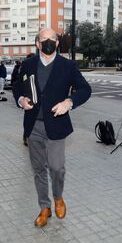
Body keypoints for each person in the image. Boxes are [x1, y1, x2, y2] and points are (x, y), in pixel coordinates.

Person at [13, 28, 91, 228]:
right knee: (38, 169)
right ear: (37, 44)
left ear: (57, 43)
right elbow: (16, 86)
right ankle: (44, 207)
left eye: (52, 39)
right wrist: (20, 99)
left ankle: (58, 197)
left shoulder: (68, 66)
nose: (48, 42)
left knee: (56, 168)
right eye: (43, 39)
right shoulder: (28, 64)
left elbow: (85, 89)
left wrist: (69, 102)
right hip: (33, 126)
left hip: (56, 125)